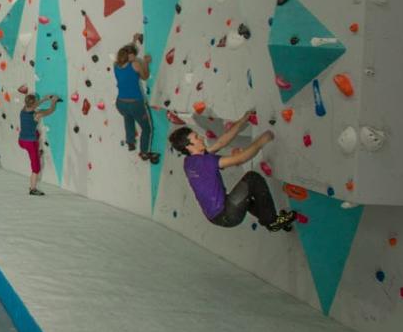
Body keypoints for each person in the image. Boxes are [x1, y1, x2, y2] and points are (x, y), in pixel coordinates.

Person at [168, 111, 297, 232]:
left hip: (218, 214)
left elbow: (221, 142)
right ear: (189, 146)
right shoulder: (204, 162)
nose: (201, 138)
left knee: (247, 198)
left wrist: (242, 120)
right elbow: (241, 158)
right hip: (227, 215)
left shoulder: (190, 160)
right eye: (196, 138)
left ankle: (272, 220)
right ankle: (272, 222)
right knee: (252, 179)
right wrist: (262, 140)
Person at [114, 33, 158, 164]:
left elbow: (127, 51)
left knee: (128, 119)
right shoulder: (136, 64)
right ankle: (144, 152)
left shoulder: (116, 65)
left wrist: (134, 41)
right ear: (131, 56)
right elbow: (145, 76)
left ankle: (130, 142)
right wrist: (144, 62)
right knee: (147, 128)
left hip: (121, 103)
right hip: (135, 104)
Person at [19, 94, 61, 196]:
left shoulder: (23, 110)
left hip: (21, 140)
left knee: (37, 133)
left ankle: (37, 153)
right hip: (30, 143)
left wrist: (45, 99)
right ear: (34, 104)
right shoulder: (36, 114)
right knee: (36, 167)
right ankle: (32, 189)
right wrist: (53, 101)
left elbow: (33, 105)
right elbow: (51, 110)